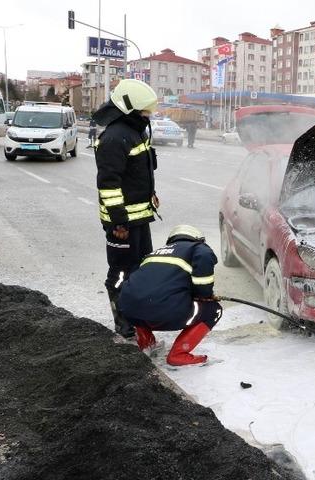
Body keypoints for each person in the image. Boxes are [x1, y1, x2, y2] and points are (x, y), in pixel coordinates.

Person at [93, 79, 161, 339]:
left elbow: (139, 172)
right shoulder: (114, 137)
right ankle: (123, 322)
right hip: (122, 223)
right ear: (129, 108)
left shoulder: (136, 131)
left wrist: (151, 194)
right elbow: (109, 185)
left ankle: (138, 315)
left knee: (141, 268)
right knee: (120, 273)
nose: (148, 115)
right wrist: (117, 222)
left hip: (140, 218)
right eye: (145, 111)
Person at [118, 225, 221, 366]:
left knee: (142, 301)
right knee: (213, 309)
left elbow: (141, 286)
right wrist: (206, 295)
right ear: (198, 239)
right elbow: (203, 267)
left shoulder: (153, 254)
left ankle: (146, 342)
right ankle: (179, 353)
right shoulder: (197, 248)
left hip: (129, 311)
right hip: (166, 312)